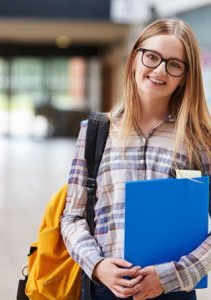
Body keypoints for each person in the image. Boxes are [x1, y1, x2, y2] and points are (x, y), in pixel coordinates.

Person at [60, 18, 211, 300]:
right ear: (134, 58)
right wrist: (98, 265)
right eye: (151, 57)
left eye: (174, 64)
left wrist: (170, 277)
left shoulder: (200, 139)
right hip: (104, 289)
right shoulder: (96, 131)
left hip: (172, 292)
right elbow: (72, 217)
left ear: (185, 76)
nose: (159, 70)